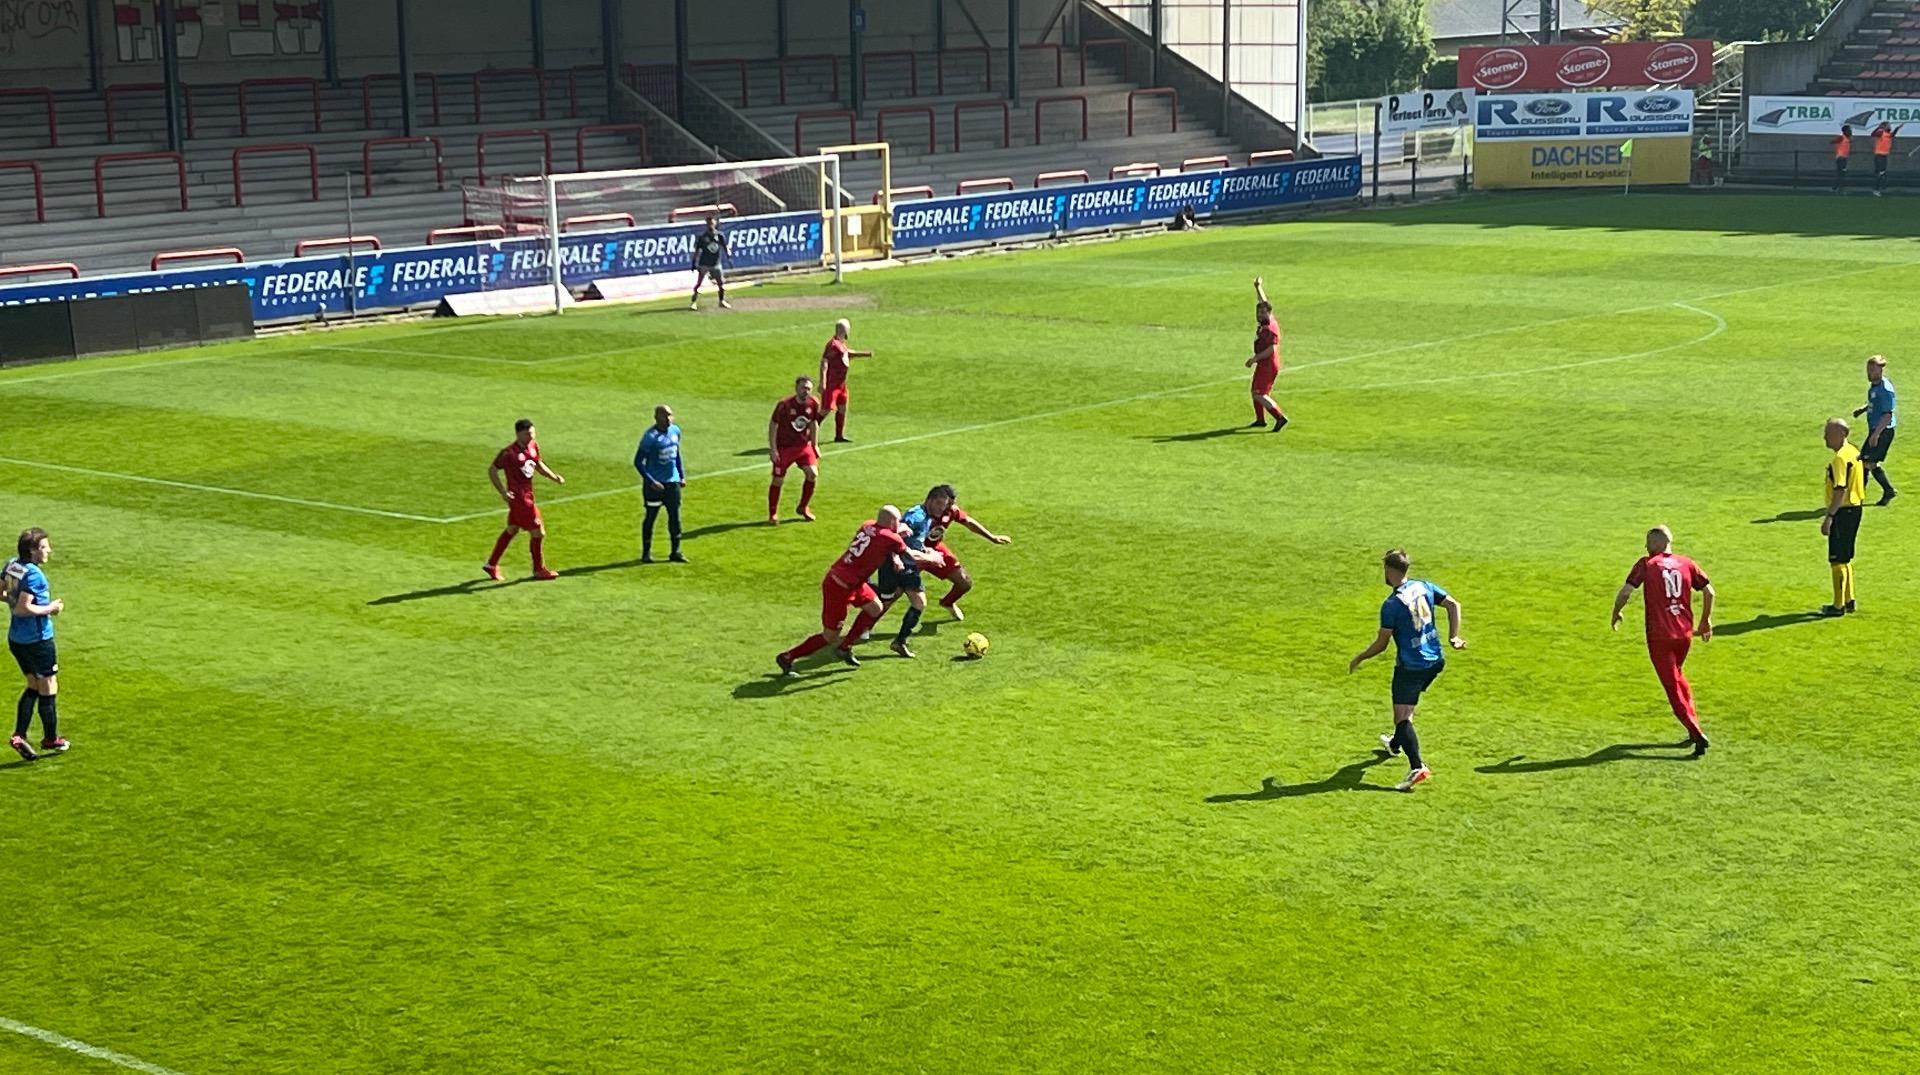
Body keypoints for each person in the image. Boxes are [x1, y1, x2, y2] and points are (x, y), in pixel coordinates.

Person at [1348, 549, 1464, 793]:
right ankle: (1395, 744)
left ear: (1389, 571)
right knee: (1406, 710)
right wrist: (1454, 637)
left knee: (1402, 717)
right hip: (1435, 661)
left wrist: (1360, 657)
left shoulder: (1391, 605)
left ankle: (1417, 766)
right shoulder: (1424, 586)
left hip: (1411, 666)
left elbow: (1382, 645)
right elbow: (1453, 604)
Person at [776, 506, 944, 674]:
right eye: (898, 521)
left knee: (876, 608)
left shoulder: (867, 525)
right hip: (839, 588)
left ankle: (845, 647)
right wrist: (932, 557)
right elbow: (910, 555)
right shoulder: (890, 538)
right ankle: (787, 657)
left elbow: (882, 539)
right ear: (893, 522)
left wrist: (896, 543)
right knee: (830, 635)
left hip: (852, 581)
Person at [1610, 526, 1714, 757]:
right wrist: (1705, 621)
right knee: (1678, 677)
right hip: (1684, 635)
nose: (1645, 547)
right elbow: (1709, 592)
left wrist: (1616, 611)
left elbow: (1626, 592)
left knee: (1671, 686)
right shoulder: (1687, 563)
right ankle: (1692, 727)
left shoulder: (1646, 564)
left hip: (1659, 636)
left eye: (1647, 543)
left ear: (1656, 543)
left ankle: (1695, 731)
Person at [5, 528, 67, 761]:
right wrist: (51, 608)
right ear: (32, 551)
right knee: (48, 685)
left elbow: (3, 592)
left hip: (17, 640)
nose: (48, 550)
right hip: (37, 640)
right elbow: (23, 609)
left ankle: (19, 735)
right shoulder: (34, 575)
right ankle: (51, 738)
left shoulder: (13, 565)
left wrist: (14, 598)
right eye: (44, 547)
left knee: (33, 684)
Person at [486, 418, 564, 581]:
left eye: (533, 433)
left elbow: (538, 464)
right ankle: (538, 569)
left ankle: (491, 565)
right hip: (520, 499)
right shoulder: (509, 453)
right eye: (528, 434)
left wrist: (554, 477)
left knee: (512, 530)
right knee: (538, 533)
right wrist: (502, 491)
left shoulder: (533, 446)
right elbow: (493, 470)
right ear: (518, 434)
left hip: (528, 495)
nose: (531, 437)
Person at [1821, 417, 1866, 616]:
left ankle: (1837, 606)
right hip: (1856, 508)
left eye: (1828, 433)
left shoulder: (1840, 458)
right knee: (1846, 558)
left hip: (1842, 511)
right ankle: (1849, 600)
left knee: (1837, 559)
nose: (1824, 438)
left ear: (1841, 435)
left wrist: (1830, 516)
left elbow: (1840, 489)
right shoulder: (1854, 452)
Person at [768, 375, 824, 524]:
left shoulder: (813, 403)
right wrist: (773, 449)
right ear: (796, 388)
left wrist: (815, 445)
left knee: (812, 474)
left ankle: (803, 507)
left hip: (803, 446)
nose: (806, 391)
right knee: (778, 480)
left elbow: (813, 424)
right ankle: (773, 513)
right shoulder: (784, 405)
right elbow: (773, 425)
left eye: (808, 389)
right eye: (803, 388)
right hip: (784, 448)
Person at [635, 404, 688, 563]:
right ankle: (646, 553)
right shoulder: (650, 437)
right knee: (651, 517)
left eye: (671, 415)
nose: (669, 419)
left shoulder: (675, 431)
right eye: (665, 416)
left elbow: (676, 455)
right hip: (655, 486)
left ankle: (675, 551)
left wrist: (681, 476)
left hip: (672, 483)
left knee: (675, 517)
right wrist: (651, 481)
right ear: (657, 417)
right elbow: (638, 462)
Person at [819, 318, 874, 443]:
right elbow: (824, 362)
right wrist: (823, 382)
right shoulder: (833, 345)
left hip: (841, 385)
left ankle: (839, 436)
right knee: (825, 410)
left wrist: (865, 354)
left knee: (842, 408)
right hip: (832, 384)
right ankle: (807, 433)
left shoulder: (840, 344)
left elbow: (847, 354)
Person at [1853, 354, 1897, 505]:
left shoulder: (1885, 389)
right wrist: (1863, 409)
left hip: (1883, 431)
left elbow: (1887, 415)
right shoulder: (1876, 385)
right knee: (1865, 462)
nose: (1869, 373)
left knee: (1867, 462)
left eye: (1872, 370)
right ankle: (1865, 493)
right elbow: (1876, 403)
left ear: (1880, 370)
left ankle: (1859, 495)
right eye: (1868, 369)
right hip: (1876, 430)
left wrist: (1876, 435)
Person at [1245, 276, 1288, 432]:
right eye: (1258, 312)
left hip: (1268, 365)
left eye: (1263, 313)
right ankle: (1260, 420)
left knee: (1259, 394)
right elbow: (1264, 302)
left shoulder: (1270, 329)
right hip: (1265, 364)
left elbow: (1272, 349)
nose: (1259, 314)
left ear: (1268, 314)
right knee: (1256, 391)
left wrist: (1254, 358)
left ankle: (1280, 417)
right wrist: (1258, 287)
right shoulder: (1268, 321)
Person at [689, 216, 731, 311]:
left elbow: (725, 246)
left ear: (715, 223)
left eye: (711, 223)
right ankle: (693, 302)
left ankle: (721, 301)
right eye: (708, 224)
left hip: (716, 263)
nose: (710, 225)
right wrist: (693, 262)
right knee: (699, 283)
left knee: (721, 283)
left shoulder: (719, 235)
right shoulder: (702, 237)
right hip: (704, 263)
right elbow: (697, 250)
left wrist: (728, 254)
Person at [1872, 121, 1903, 195]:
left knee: (1882, 173)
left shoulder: (1888, 134)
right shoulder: (1881, 132)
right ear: (1884, 126)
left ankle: (1879, 187)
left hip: (1884, 155)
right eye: (1888, 125)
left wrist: (1898, 128)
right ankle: (1876, 189)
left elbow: (1892, 134)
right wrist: (1879, 127)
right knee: (1881, 172)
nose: (1890, 127)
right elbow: (1873, 134)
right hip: (1879, 155)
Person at [1833, 125, 1853, 193]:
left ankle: (1836, 187)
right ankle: (1839, 188)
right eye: (1849, 130)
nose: (1850, 131)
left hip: (1844, 157)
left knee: (1841, 173)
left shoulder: (1847, 139)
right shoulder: (1842, 137)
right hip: (1841, 158)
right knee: (1842, 172)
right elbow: (1834, 141)